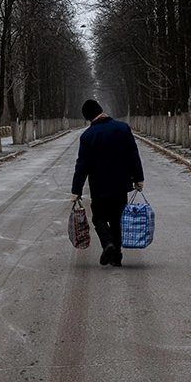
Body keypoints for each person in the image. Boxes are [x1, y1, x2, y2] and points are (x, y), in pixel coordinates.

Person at [71, 100, 144, 267]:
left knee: (99, 218)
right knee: (117, 219)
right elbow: (133, 154)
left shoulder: (88, 135)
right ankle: (116, 255)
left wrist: (76, 190)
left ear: (89, 117)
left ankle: (107, 244)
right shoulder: (122, 128)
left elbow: (82, 165)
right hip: (121, 184)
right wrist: (138, 178)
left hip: (99, 186)